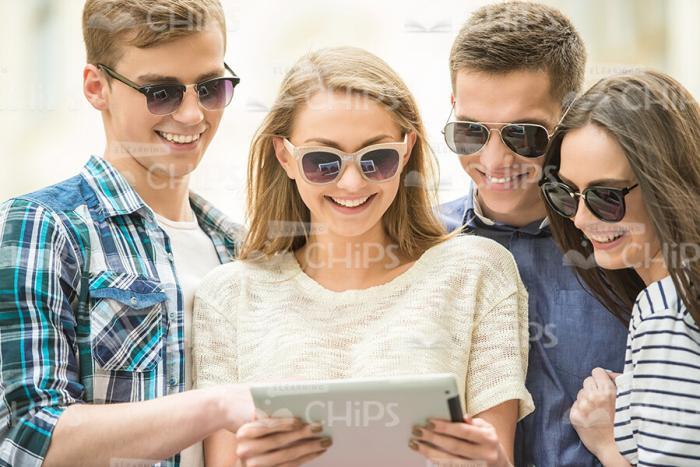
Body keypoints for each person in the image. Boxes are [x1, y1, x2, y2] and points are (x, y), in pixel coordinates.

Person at [192, 46, 534, 467]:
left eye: (377, 159)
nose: (352, 183)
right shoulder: (229, 297)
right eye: (323, 162)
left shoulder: (477, 273)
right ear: (285, 156)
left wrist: (491, 462)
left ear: (406, 150)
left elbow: (499, 458)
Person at [0, 1, 254, 466]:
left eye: (211, 88)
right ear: (97, 87)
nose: (194, 115)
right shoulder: (44, 226)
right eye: (162, 92)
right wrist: (214, 406)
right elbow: (25, 435)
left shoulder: (238, 248)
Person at [439, 3, 631, 465]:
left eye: (523, 135)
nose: (494, 159)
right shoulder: (420, 245)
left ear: (570, 116)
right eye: (470, 132)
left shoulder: (625, 247)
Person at [540, 70, 700, 466]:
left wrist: (606, 441)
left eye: (605, 196)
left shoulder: (667, 309)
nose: (579, 218)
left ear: (665, 184)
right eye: (567, 194)